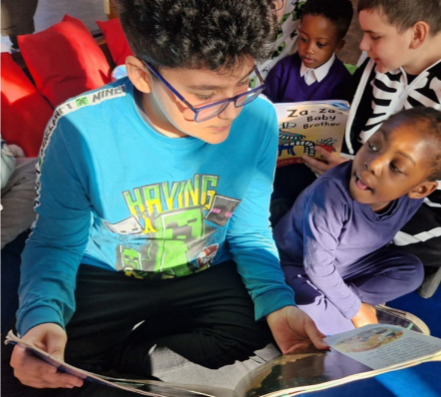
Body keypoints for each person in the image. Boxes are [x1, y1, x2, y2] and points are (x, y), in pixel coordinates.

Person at [4, 1, 327, 396]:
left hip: (206, 270)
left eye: (243, 82)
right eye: (206, 94)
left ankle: (131, 360)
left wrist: (277, 303)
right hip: (105, 274)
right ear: (142, 75)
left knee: (276, 349)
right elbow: (56, 241)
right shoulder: (80, 127)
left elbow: (249, 228)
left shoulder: (257, 116)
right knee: (40, 363)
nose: (230, 110)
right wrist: (42, 318)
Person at [302, 0, 441, 298]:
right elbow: (348, 116)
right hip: (352, 174)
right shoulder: (383, 62)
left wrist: (354, 171)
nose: (363, 46)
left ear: (417, 34)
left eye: (375, 36)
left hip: (416, 209)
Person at [274, 108, 441, 335]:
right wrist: (354, 309)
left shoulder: (409, 200)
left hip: (349, 266)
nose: (372, 164)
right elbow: (318, 268)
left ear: (420, 189)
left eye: (396, 167)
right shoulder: (330, 194)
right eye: (373, 146)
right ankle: (351, 312)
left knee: (411, 271)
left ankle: (343, 309)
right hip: (298, 265)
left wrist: (350, 304)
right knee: (307, 302)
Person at [264, 0, 353, 103]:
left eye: (321, 44)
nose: (309, 50)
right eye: (304, 39)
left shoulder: (343, 84)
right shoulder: (283, 71)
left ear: (338, 46)